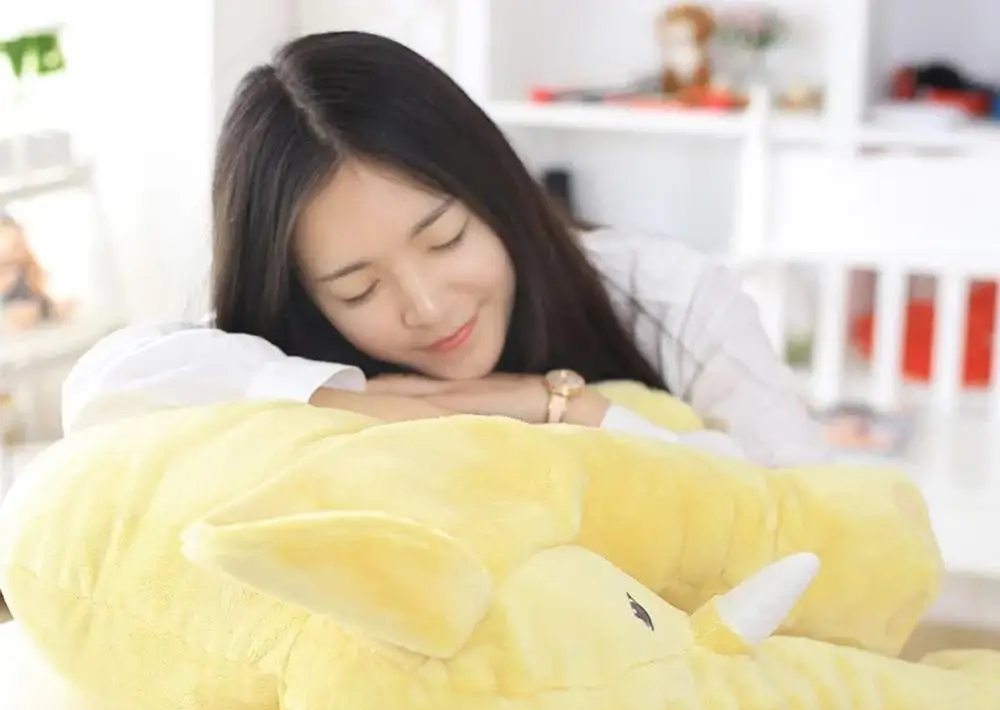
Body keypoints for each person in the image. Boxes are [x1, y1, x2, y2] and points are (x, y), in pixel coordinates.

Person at [61, 30, 829, 468]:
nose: (427, 308)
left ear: (496, 190)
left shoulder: (666, 294)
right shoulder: (283, 347)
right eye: (358, 289)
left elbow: (802, 514)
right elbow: (101, 391)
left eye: (446, 239)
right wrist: (369, 404)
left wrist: (563, 408)